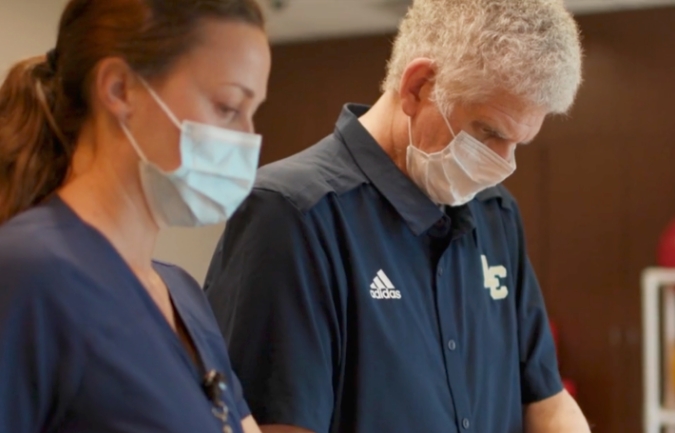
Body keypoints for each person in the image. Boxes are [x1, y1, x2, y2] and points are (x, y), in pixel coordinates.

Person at [205, 0, 591, 432]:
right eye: (489, 133)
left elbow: (547, 401)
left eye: (519, 143)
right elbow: (274, 423)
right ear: (419, 87)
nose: (504, 164)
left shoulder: (495, 214)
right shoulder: (293, 214)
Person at [0, 0, 270, 432]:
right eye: (227, 107)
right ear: (120, 89)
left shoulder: (181, 294)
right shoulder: (29, 274)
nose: (247, 138)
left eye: (252, 112)